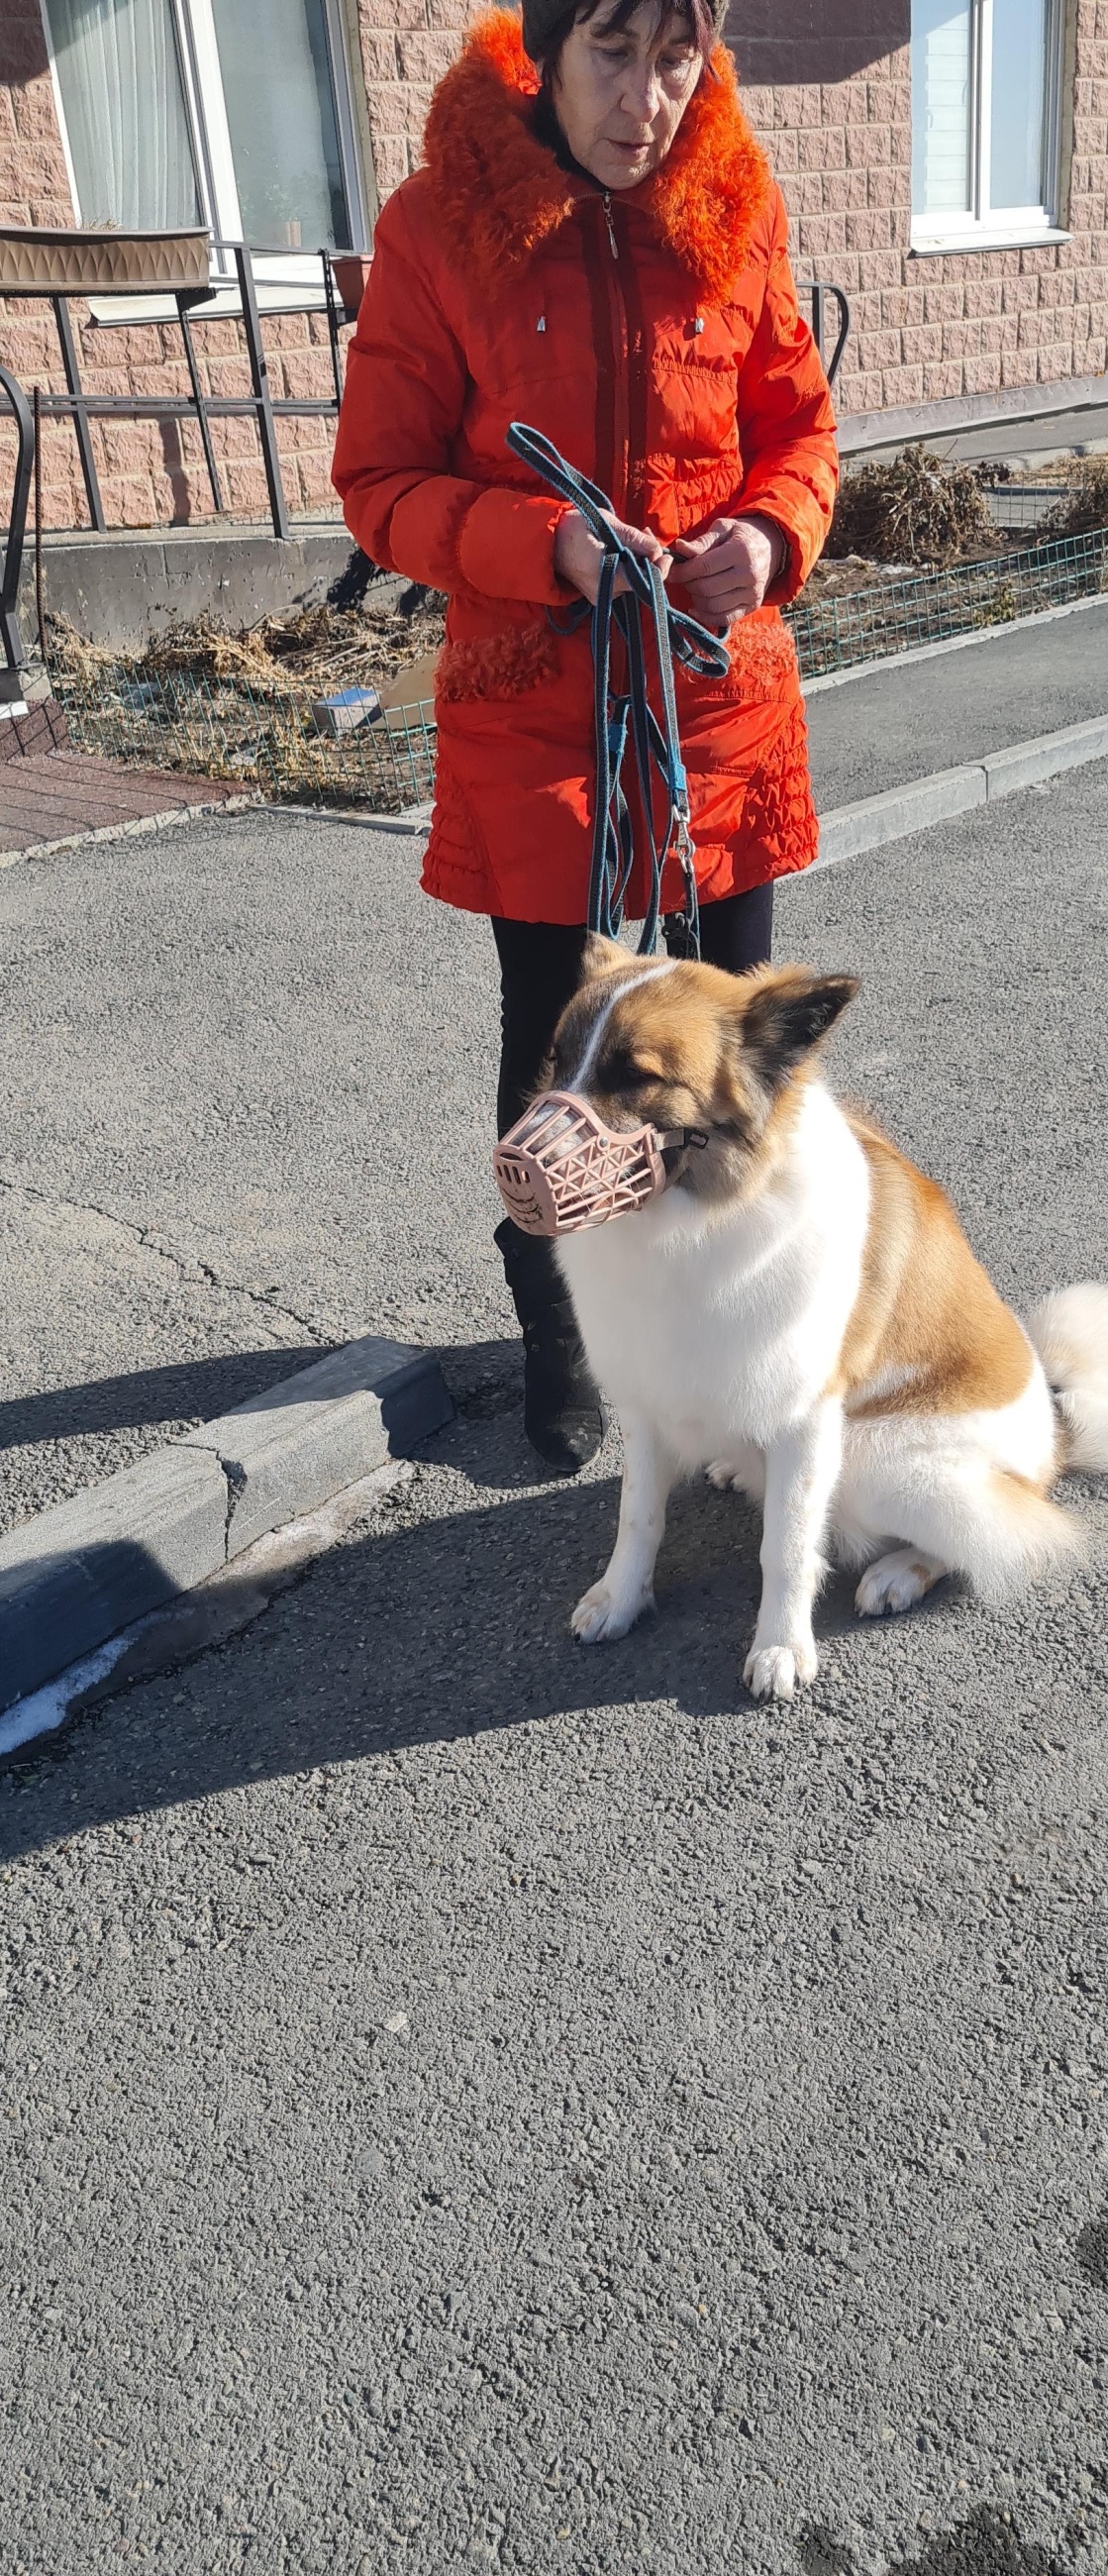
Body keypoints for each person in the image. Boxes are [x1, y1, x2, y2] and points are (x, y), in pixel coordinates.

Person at [333, 0, 839, 1472]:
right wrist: (541, 544)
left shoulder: (735, 203)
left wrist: (769, 531)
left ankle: (734, 1319)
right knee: (560, 1040)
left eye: (676, 55)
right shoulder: (442, 223)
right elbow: (379, 481)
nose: (647, 96)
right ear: (547, 51)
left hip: (717, 701)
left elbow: (797, 431)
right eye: (612, 51)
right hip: (532, 706)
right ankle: (563, 1329)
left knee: (733, 1038)